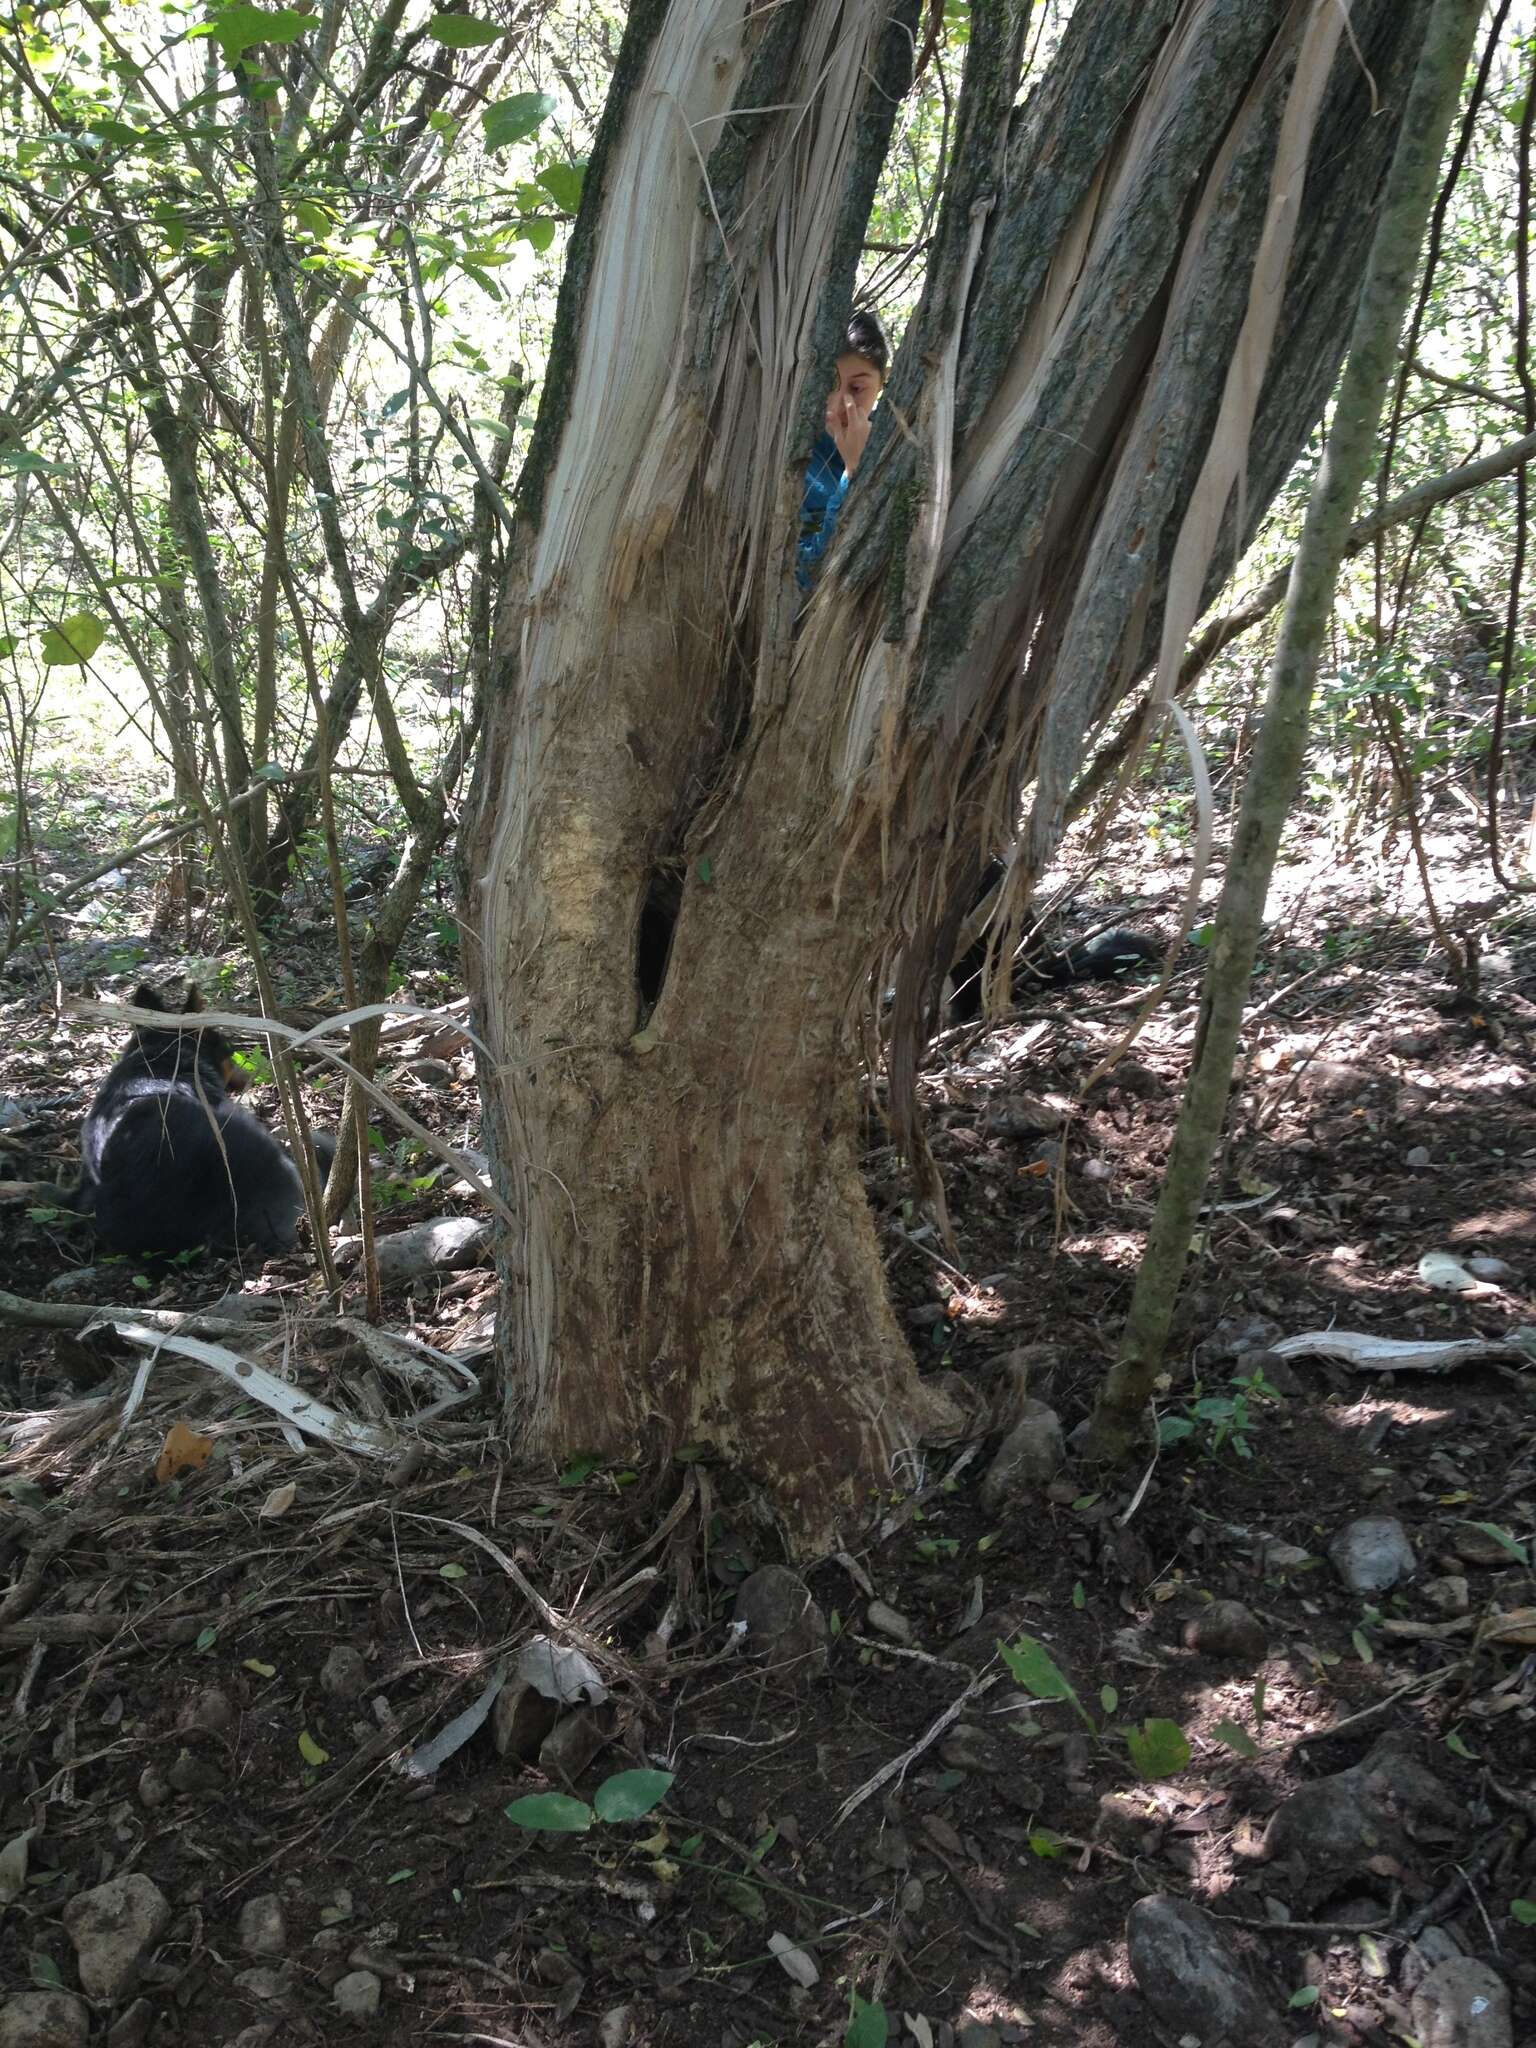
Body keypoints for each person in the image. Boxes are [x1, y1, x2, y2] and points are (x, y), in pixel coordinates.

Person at [796, 307, 890, 595]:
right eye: (828, 384)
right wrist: (853, 471)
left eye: (857, 387)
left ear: (882, 381)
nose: (839, 406)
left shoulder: (893, 441)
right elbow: (806, 573)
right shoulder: (795, 456)